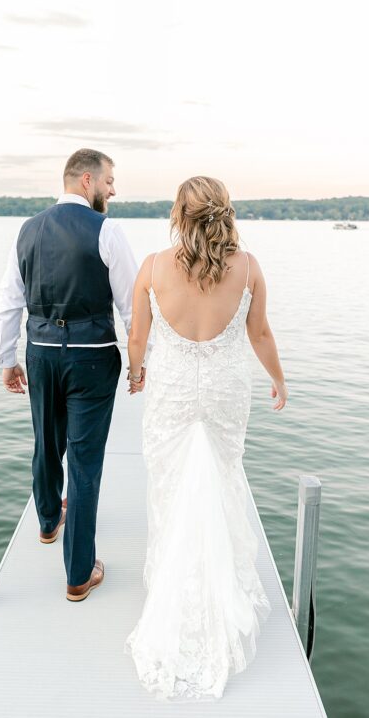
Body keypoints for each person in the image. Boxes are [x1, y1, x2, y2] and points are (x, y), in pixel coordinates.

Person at [123, 176, 287, 699]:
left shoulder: (152, 267)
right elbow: (260, 333)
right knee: (222, 480)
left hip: (172, 392)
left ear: (178, 213)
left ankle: (172, 589)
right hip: (224, 392)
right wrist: (279, 379)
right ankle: (220, 588)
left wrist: (136, 373)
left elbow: (138, 337)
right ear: (226, 213)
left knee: (171, 489)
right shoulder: (249, 267)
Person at [0, 149, 137, 601]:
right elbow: (133, 306)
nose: (113, 190)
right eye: (109, 181)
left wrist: (7, 358)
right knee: (84, 462)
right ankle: (78, 573)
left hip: (40, 354)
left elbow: (9, 299)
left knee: (46, 439)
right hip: (92, 357)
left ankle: (47, 520)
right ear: (86, 180)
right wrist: (141, 361)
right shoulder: (107, 230)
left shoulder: (27, 229)